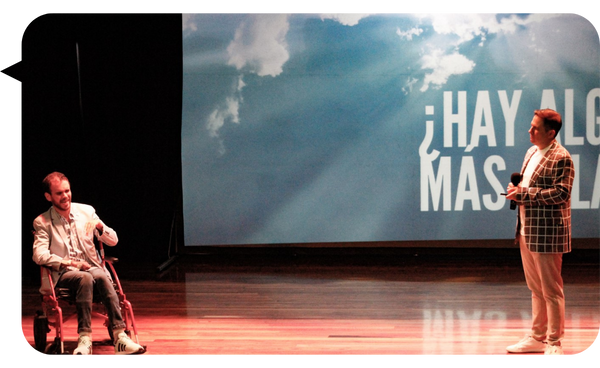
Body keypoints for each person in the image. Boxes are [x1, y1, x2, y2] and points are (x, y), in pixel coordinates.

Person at [32, 172, 146, 358]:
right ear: (48, 196)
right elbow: (39, 255)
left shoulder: (86, 211)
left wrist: (100, 228)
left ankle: (120, 337)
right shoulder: (43, 222)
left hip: (93, 269)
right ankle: (84, 339)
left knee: (100, 274)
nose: (65, 196)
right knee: (85, 277)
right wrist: (70, 263)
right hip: (64, 273)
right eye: (59, 193)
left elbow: (113, 241)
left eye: (67, 191)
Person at [505, 109, 574, 358]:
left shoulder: (562, 157)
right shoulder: (532, 152)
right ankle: (537, 336)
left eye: (535, 128)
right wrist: (517, 189)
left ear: (551, 133)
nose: (530, 131)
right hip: (527, 230)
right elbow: (529, 185)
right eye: (531, 126)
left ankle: (554, 342)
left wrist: (524, 194)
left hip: (548, 233)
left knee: (551, 290)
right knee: (536, 289)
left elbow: (561, 193)